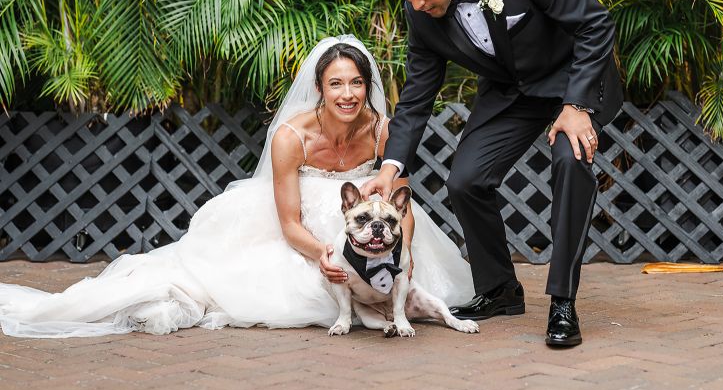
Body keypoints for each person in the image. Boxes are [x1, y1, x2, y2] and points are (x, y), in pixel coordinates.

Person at [0, 36, 474, 338]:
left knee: (434, 292)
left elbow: (400, 203)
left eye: (356, 84)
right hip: (307, 233)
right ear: (320, 88)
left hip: (374, 228)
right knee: (258, 288)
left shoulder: (383, 130)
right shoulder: (291, 137)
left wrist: (402, 252)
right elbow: (289, 222)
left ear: (368, 87)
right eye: (336, 84)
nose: (347, 94)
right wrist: (324, 255)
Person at [361, 0, 623, 347]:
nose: (415, 4)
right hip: (511, 94)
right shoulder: (420, 14)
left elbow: (595, 24)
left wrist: (576, 105)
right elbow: (416, 97)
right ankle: (500, 289)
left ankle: (562, 301)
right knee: (465, 181)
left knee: (570, 161)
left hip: (572, 79)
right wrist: (389, 169)